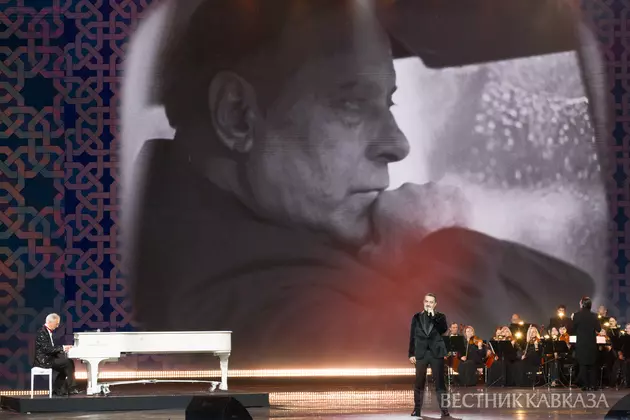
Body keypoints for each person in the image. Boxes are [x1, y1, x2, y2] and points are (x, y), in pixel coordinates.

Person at [128, 0, 596, 368]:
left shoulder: (253, 235)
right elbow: (462, 371)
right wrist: (438, 245)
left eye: (388, 104)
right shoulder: (235, 299)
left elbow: (576, 298)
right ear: (238, 116)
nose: (398, 144)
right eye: (351, 104)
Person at [409, 293, 449, 418]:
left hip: (436, 352)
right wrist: (411, 353)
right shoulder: (416, 317)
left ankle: (444, 410)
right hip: (421, 353)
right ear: (423, 302)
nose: (428, 304)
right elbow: (412, 336)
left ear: (435, 304)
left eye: (431, 302)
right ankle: (417, 409)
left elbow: (443, 330)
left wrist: (433, 317)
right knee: (419, 382)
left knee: (440, 382)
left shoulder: (440, 317)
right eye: (427, 301)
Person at [33, 314, 79, 396]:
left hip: (48, 358)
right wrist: (63, 348)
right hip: (43, 361)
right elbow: (47, 349)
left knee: (67, 366)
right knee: (68, 363)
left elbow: (50, 348)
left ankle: (57, 389)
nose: (57, 326)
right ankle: (70, 387)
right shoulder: (42, 332)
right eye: (56, 324)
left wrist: (63, 349)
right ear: (50, 322)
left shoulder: (46, 331)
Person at [570, 297, 601, 391]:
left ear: (582, 304)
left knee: (583, 365)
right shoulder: (594, 315)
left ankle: (585, 385)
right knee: (592, 365)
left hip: (581, 343)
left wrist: (572, 319)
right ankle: (593, 385)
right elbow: (599, 329)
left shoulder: (576, 315)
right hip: (591, 343)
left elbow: (572, 330)